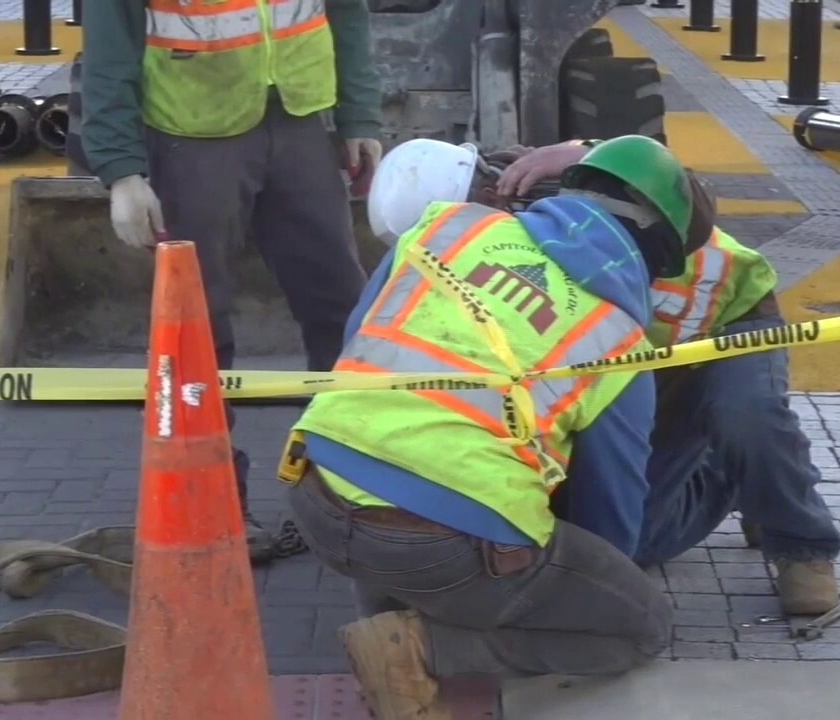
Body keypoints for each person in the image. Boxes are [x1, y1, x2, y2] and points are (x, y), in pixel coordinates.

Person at [283, 135, 714, 719]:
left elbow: (356, 344)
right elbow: (610, 521)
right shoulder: (617, 342)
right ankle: (421, 647)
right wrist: (569, 579)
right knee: (638, 625)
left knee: (395, 483)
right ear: (654, 251)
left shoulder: (449, 228)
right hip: (441, 546)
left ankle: (385, 618)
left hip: (315, 491)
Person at [368, 139, 840, 615]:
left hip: (729, 314)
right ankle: (736, 478)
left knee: (745, 414)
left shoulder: (555, 176)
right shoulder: (477, 251)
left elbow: (678, 185)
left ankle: (801, 544)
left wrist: (584, 151)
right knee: (638, 537)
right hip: (631, 360)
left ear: (486, 191)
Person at [80, 0, 384, 561]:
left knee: (345, 313)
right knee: (196, 331)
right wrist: (121, 169)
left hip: (299, 126)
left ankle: (349, 490)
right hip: (192, 132)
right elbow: (108, 50)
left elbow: (346, 11)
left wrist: (358, 114)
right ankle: (210, 505)